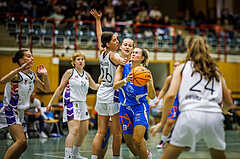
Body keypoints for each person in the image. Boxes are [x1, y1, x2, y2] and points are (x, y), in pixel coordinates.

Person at [159, 35, 233, 159]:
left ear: (188, 50)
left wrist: (162, 122)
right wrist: (224, 110)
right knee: (219, 155)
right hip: (214, 116)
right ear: (206, 49)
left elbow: (170, 95)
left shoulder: (182, 68)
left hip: (190, 114)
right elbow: (228, 101)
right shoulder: (216, 71)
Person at [46, 52, 99, 159]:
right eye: (78, 59)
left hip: (82, 104)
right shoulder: (70, 72)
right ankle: (68, 156)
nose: (80, 61)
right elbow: (60, 88)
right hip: (71, 102)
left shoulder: (86, 75)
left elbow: (95, 86)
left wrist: (107, 83)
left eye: (82, 59)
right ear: (74, 62)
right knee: (74, 130)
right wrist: (50, 102)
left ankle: (75, 154)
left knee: (84, 131)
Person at [90, 9, 128, 159]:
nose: (117, 42)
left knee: (100, 131)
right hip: (113, 94)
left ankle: (94, 157)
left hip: (101, 93)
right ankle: (116, 158)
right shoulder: (113, 55)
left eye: (118, 40)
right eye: (115, 40)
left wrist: (98, 21)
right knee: (117, 132)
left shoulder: (102, 52)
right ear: (108, 43)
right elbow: (122, 61)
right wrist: (127, 56)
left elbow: (100, 37)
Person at [0, 49, 50, 159]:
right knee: (20, 141)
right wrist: (20, 69)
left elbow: (46, 89)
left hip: (21, 112)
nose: (32, 58)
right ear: (21, 60)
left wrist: (45, 75)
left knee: (23, 145)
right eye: (28, 56)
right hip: (10, 110)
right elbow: (2, 81)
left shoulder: (32, 75)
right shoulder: (17, 74)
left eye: (31, 56)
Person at [113, 47, 155, 159]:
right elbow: (115, 86)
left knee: (138, 140)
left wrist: (149, 82)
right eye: (133, 52)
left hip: (140, 107)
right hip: (125, 108)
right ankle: (142, 155)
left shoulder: (146, 73)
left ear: (142, 58)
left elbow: (152, 96)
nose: (133, 54)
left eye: (136, 53)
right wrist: (125, 80)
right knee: (129, 143)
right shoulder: (122, 67)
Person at [150, 61, 180, 149]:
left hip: (183, 101)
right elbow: (163, 90)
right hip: (173, 102)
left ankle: (175, 138)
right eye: (174, 65)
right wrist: (158, 99)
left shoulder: (185, 77)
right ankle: (162, 140)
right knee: (169, 122)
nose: (176, 67)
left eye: (178, 65)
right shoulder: (169, 78)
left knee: (180, 122)